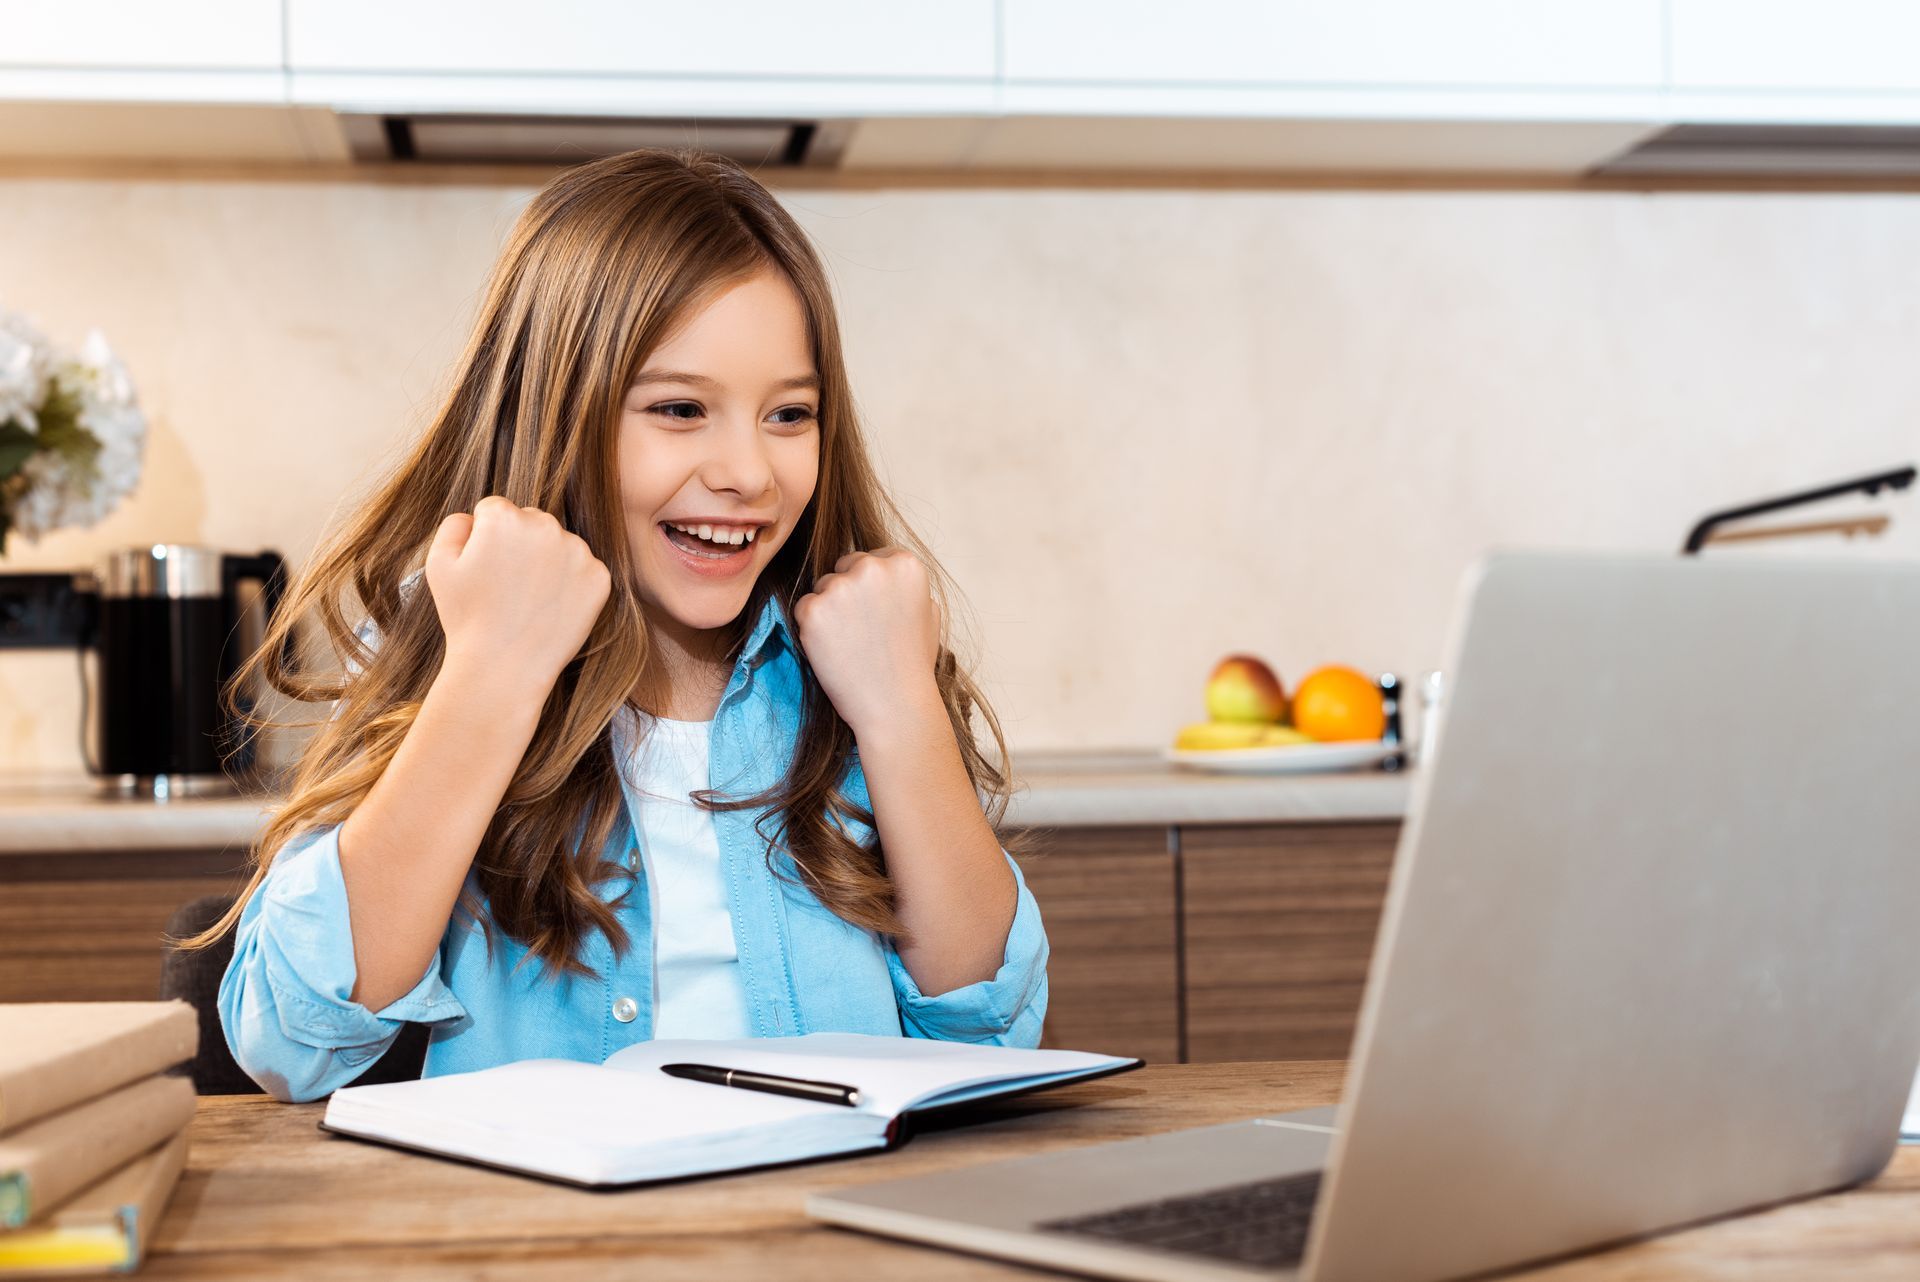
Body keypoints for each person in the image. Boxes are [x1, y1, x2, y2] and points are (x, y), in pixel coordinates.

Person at [177, 148, 1048, 1103]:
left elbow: (992, 1033)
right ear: (554, 414)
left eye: (790, 413)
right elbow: (290, 1041)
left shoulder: (851, 675)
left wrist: (900, 708)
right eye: (680, 408)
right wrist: (495, 673)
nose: (749, 472)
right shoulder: (458, 664)